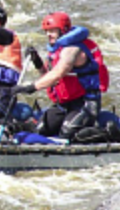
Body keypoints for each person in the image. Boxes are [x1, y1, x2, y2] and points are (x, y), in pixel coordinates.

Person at [11, 12, 108, 141]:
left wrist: (30, 87)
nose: (48, 35)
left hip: (85, 104)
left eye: (52, 31)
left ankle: (109, 133)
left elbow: (58, 73)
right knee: (40, 129)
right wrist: (37, 61)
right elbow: (48, 76)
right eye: (46, 31)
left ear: (64, 30)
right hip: (63, 105)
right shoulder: (57, 50)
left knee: (67, 133)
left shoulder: (73, 50)